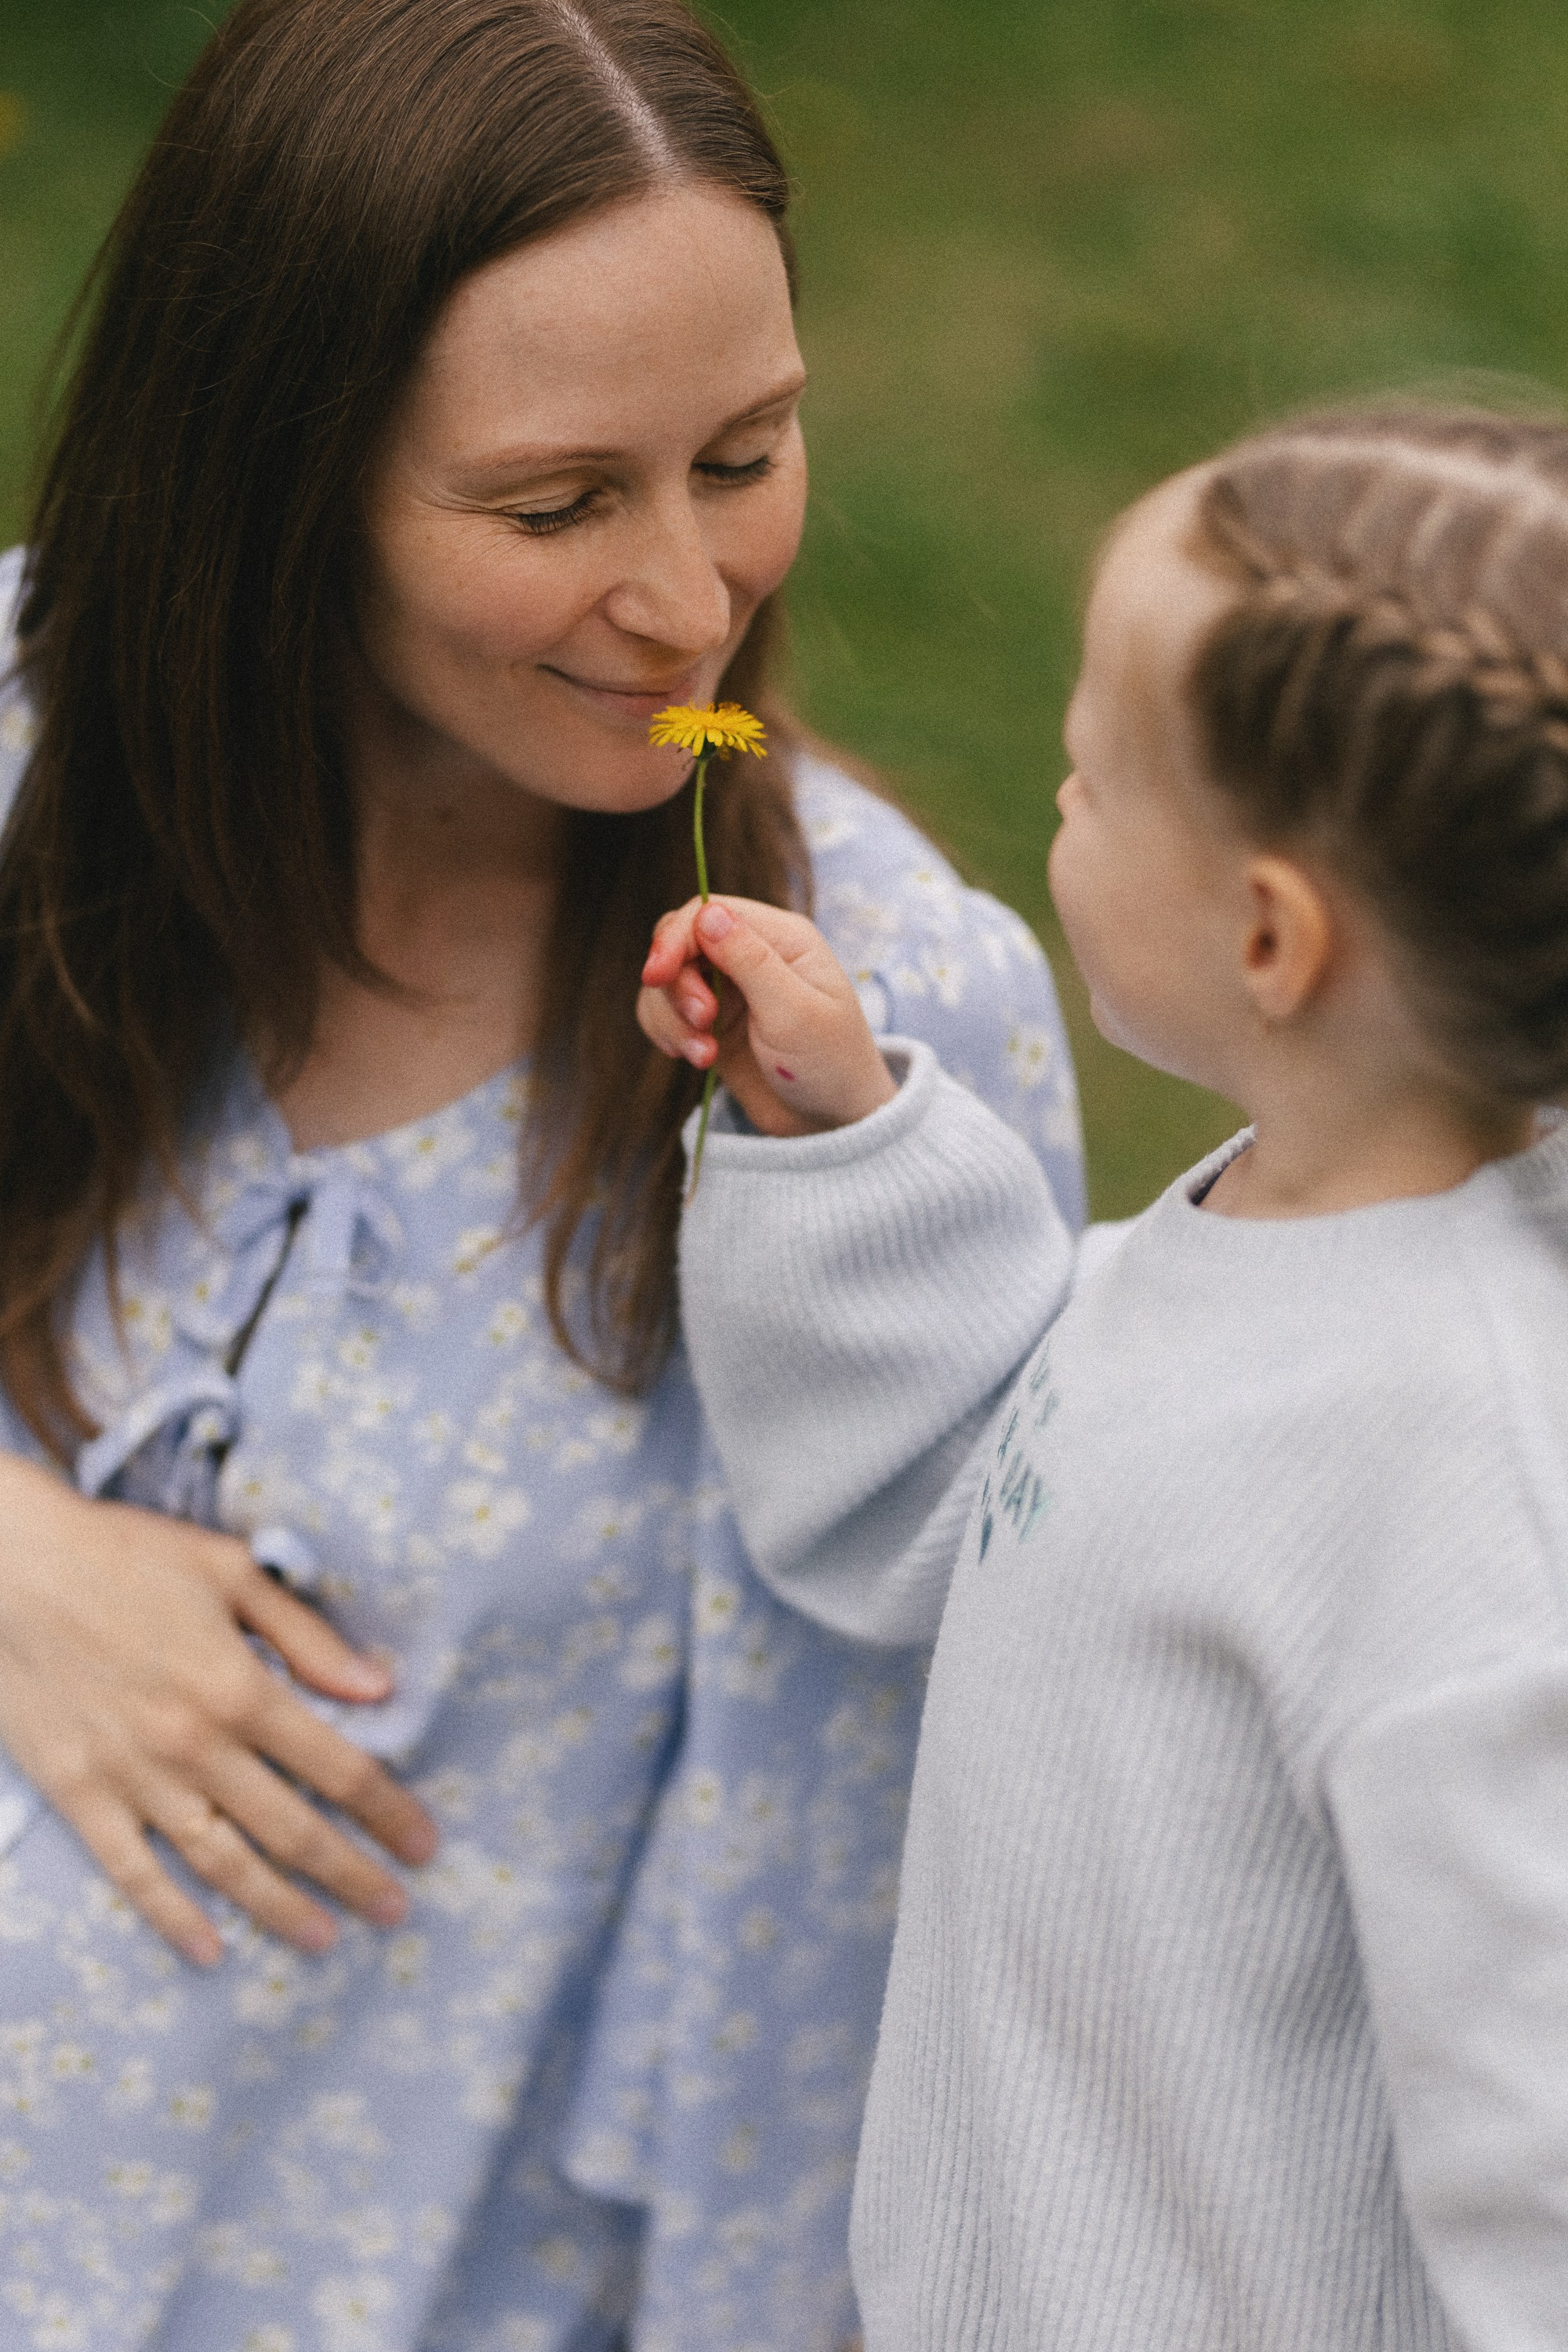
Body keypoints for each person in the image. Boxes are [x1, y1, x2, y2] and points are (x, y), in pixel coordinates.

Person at [0, 2, 1085, 2345]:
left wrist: (850, 1199)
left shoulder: (881, 1025)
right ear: (273, 478)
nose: (692, 602)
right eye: (555, 504)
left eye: (747, 453)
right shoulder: (19, 756)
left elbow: (939, 1726)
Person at [641, 401, 1568, 2350]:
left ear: (1266, 934)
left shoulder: (1469, 1498)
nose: (1052, 805)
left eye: (1086, 778)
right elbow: (996, 1513)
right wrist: (842, 1143)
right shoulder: (1257, 1245)